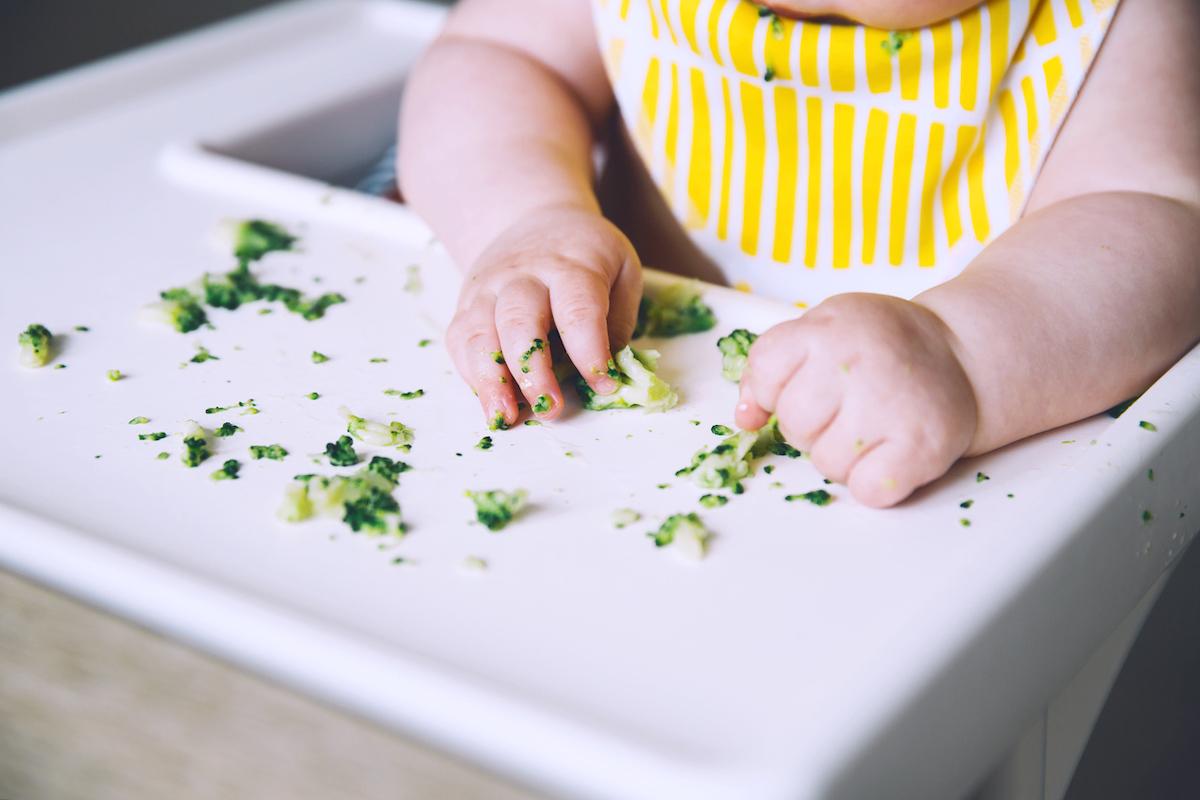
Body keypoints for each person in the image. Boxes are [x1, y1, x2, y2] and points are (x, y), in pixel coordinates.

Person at [397, 0, 1200, 507]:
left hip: (908, 489)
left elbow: (1160, 227)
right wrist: (528, 217)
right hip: (630, 430)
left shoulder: (1110, 21)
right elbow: (497, 59)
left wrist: (964, 351)